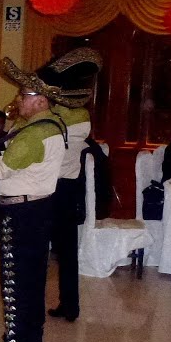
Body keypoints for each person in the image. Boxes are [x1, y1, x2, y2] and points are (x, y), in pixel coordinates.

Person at [0, 47, 101, 342]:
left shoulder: (33, 134)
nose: (18, 100)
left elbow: (0, 169)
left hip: (20, 213)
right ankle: (31, 337)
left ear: (41, 100)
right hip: (39, 209)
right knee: (33, 277)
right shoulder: (54, 126)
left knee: (14, 279)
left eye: (25, 95)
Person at [46, 57, 103, 323]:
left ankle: (38, 307)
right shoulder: (81, 115)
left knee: (40, 251)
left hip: (51, 188)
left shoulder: (59, 116)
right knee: (67, 253)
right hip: (68, 189)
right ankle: (70, 305)